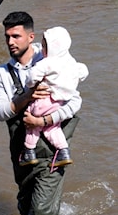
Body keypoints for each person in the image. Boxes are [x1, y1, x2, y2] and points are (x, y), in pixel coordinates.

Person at [0, 11, 81, 215]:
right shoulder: (3, 73)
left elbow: (75, 103)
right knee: (26, 205)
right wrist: (27, 96)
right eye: (7, 37)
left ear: (31, 37)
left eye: (16, 36)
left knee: (41, 211)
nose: (10, 42)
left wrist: (44, 119)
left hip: (53, 148)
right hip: (23, 149)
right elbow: (0, 111)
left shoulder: (54, 64)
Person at [20, 26, 88, 168]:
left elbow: (32, 76)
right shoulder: (71, 64)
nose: (43, 50)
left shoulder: (46, 63)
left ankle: (29, 151)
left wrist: (31, 86)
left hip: (43, 100)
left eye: (45, 47)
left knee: (32, 124)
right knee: (53, 128)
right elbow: (83, 72)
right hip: (58, 103)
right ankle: (63, 151)